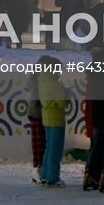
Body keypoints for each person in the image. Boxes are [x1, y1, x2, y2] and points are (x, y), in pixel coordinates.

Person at [36, 57, 69, 187]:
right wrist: (66, 95)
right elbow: (61, 102)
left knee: (49, 148)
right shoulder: (55, 84)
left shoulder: (41, 81)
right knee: (55, 150)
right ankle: (53, 177)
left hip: (46, 118)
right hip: (56, 118)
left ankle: (44, 174)